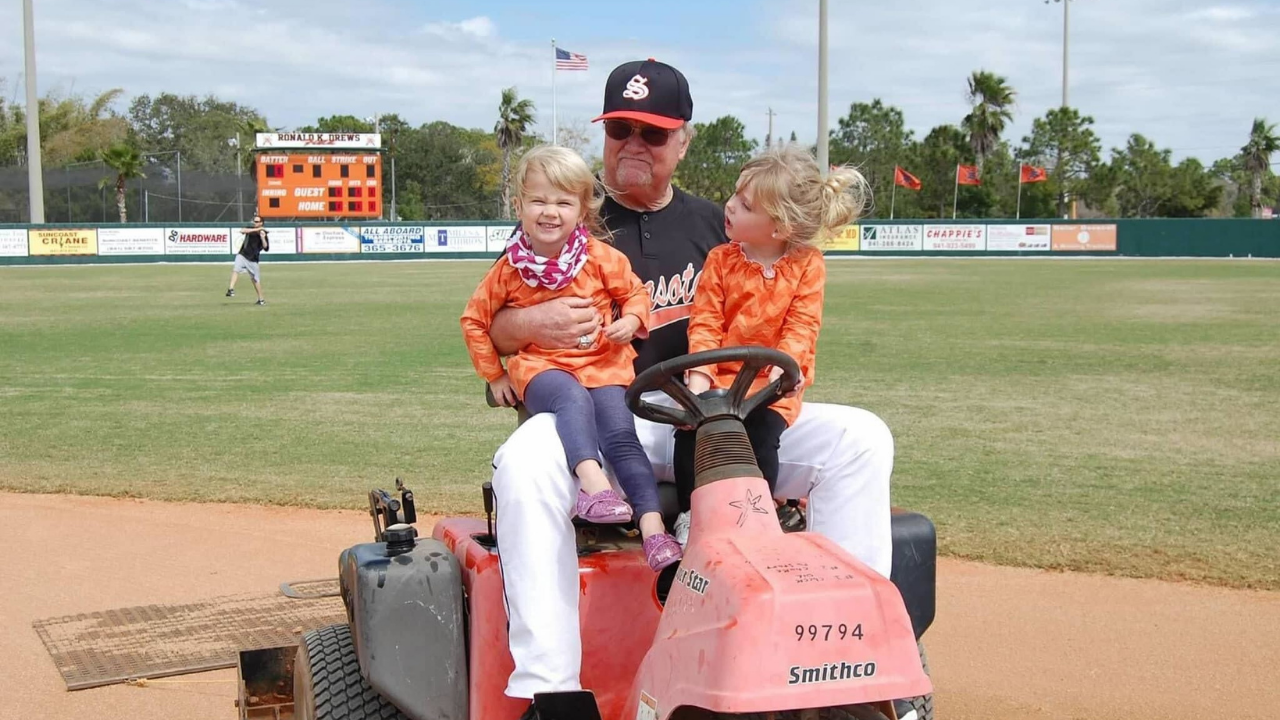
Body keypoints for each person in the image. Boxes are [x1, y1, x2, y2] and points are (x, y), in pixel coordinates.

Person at [486, 59, 896, 720]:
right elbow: (493, 323)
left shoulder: (723, 225)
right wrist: (530, 321)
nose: (633, 145)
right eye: (620, 129)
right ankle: (550, 688)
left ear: (682, 141)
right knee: (525, 460)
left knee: (861, 439)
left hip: (718, 417)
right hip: (599, 420)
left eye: (651, 132)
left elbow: (795, 303)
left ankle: (845, 660)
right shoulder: (566, 221)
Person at [460, 145, 682, 572]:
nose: (549, 212)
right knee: (571, 400)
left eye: (563, 202)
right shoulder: (509, 269)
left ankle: (654, 531)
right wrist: (494, 376)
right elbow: (474, 320)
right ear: (519, 205)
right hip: (544, 368)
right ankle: (593, 486)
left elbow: (635, 293)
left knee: (621, 434)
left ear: (582, 209)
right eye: (538, 201)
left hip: (602, 364)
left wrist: (632, 319)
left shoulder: (600, 258)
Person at [673, 146, 869, 545]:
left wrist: (786, 366)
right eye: (734, 195)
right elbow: (706, 320)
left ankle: (758, 516)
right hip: (718, 380)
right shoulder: (721, 260)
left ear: (778, 228)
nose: (728, 206)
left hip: (770, 384)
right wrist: (698, 379)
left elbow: (802, 323)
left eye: (744, 205)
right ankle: (691, 515)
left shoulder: (808, 265)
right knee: (691, 430)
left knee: (760, 432)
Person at [227, 215, 269, 305]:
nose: (255, 223)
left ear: (261, 223)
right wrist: (257, 229)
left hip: (253, 259)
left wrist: (262, 237)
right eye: (254, 221)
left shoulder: (263, 233)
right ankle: (231, 289)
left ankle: (261, 299)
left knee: (255, 280)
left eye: (257, 222)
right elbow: (242, 230)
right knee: (236, 269)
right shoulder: (251, 229)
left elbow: (266, 247)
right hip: (242, 255)